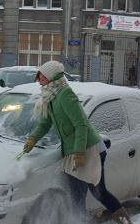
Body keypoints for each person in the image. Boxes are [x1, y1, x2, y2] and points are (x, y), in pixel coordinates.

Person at [22, 60, 132, 224]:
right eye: (38, 76)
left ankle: (122, 219)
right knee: (79, 195)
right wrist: (32, 139)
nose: (39, 80)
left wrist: (79, 152)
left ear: (51, 77)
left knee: (94, 193)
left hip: (88, 149)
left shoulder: (65, 94)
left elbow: (81, 125)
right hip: (74, 150)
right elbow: (45, 123)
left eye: (42, 76)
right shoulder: (50, 95)